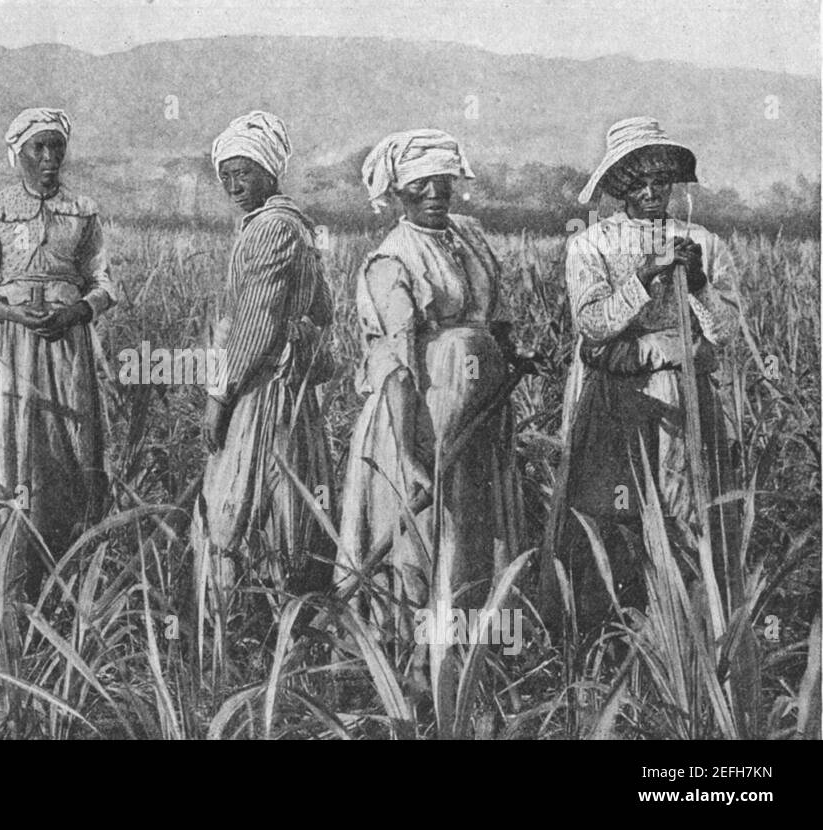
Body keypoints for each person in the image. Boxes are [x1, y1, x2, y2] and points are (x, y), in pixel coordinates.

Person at [337, 129, 521, 650]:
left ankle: (477, 638)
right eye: (421, 186)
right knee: (430, 528)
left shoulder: (468, 235)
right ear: (398, 193)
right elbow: (396, 366)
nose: (436, 193)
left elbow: (490, 316)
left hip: (480, 404)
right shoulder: (391, 260)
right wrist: (412, 454)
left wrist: (507, 351)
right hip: (424, 410)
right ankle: (412, 650)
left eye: (443, 181)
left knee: (477, 520)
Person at [554, 116, 740, 624]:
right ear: (618, 189)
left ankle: (691, 622)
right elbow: (593, 325)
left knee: (692, 505)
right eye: (638, 183)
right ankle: (622, 627)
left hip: (689, 390)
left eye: (661, 180)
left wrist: (697, 283)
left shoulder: (702, 240)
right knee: (623, 507)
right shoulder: (591, 245)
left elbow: (725, 331)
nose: (652, 191)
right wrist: (643, 276)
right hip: (623, 393)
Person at [0, 107, 115, 602]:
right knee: (8, 445)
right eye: (38, 149)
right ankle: (4, 568)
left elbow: (105, 281)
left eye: (56, 148)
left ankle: (64, 569)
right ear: (18, 154)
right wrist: (11, 312)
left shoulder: (82, 212)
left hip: (66, 351)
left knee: (64, 448)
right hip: (8, 348)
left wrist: (78, 313)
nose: (49, 158)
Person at [191, 111, 335, 638]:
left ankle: (244, 626)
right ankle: (284, 620)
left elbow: (256, 321)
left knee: (245, 498)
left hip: (261, 392)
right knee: (290, 495)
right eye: (225, 174)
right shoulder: (293, 225)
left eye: (244, 172)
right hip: (289, 391)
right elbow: (322, 309)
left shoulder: (271, 229)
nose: (233, 184)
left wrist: (221, 394)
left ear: (270, 172)